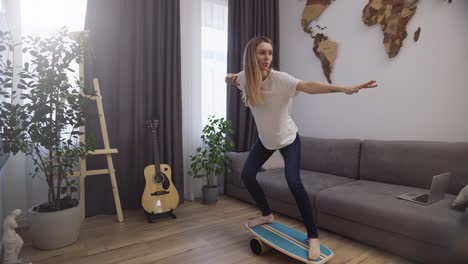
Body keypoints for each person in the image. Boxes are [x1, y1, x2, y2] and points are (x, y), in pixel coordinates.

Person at [225, 36, 377, 260]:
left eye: (269, 52)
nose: (267, 57)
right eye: (262, 53)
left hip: (288, 139)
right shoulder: (245, 77)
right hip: (266, 140)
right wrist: (228, 78)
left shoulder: (281, 79)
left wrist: (343, 88)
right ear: (251, 56)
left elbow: (308, 86)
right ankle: (267, 215)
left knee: (294, 182)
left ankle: (313, 236)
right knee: (247, 175)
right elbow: (232, 79)